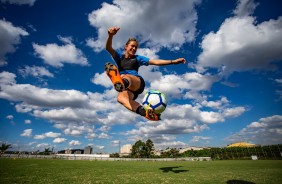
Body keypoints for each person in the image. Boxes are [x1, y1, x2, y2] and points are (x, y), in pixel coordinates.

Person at [105, 27, 186, 121]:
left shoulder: (138, 58)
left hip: (136, 82)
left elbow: (155, 62)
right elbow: (108, 48)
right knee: (120, 98)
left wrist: (173, 61)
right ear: (126, 47)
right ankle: (145, 113)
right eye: (132, 46)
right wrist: (110, 35)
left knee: (125, 76)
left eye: (136, 47)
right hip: (128, 89)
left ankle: (120, 81)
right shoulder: (119, 58)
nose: (134, 48)